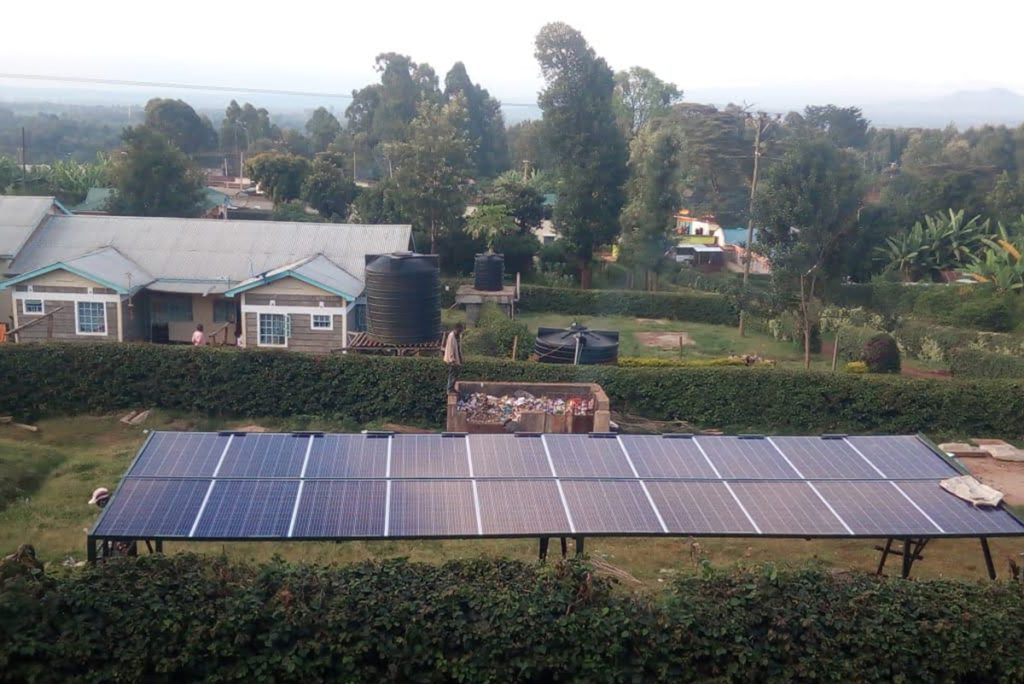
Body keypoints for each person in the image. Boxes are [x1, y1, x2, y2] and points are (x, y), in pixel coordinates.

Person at [89, 487, 137, 557]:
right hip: (119, 545)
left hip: (124, 545)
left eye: (98, 503)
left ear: (102, 502)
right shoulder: (113, 512)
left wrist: (121, 546)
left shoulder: (116, 513)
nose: (98, 506)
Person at [444, 322, 464, 394]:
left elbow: (459, 348)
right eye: (460, 329)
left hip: (457, 358)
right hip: (451, 359)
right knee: (452, 374)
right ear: (456, 329)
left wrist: (461, 358)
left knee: (456, 374)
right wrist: (452, 359)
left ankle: (452, 388)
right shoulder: (451, 336)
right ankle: (449, 389)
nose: (461, 331)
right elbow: (450, 348)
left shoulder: (458, 336)